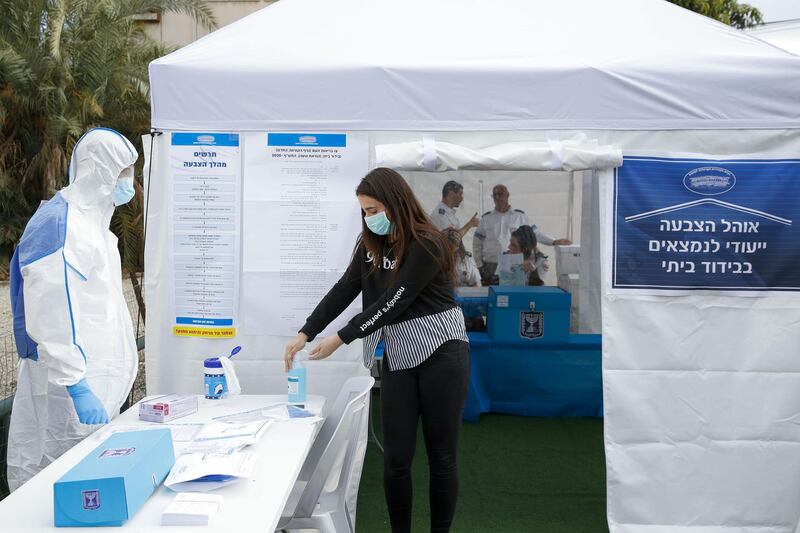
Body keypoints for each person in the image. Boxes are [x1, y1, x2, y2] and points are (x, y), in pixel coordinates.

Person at [284, 167, 470, 533]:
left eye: (374, 209)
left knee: (441, 457)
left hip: (443, 351)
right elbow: (344, 289)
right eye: (365, 212)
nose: (370, 218)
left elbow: (394, 301)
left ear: (396, 202)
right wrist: (306, 331)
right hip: (400, 353)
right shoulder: (371, 244)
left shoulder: (427, 243)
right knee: (396, 460)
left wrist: (342, 337)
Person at [7, 128, 139, 490]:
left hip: (95, 384)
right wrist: (76, 383)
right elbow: (49, 311)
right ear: (99, 169)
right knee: (50, 477)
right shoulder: (59, 225)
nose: (129, 181)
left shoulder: (94, 225)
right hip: (66, 388)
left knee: (86, 481)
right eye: (123, 171)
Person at [473, 184, 571, 283]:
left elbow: (535, 234)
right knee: (491, 295)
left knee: (511, 295)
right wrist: (479, 265)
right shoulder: (486, 219)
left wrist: (553, 241)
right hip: (490, 265)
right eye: (495, 195)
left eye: (500, 194)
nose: (497, 197)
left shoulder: (520, 217)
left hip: (513, 265)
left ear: (507, 195)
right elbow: (476, 243)